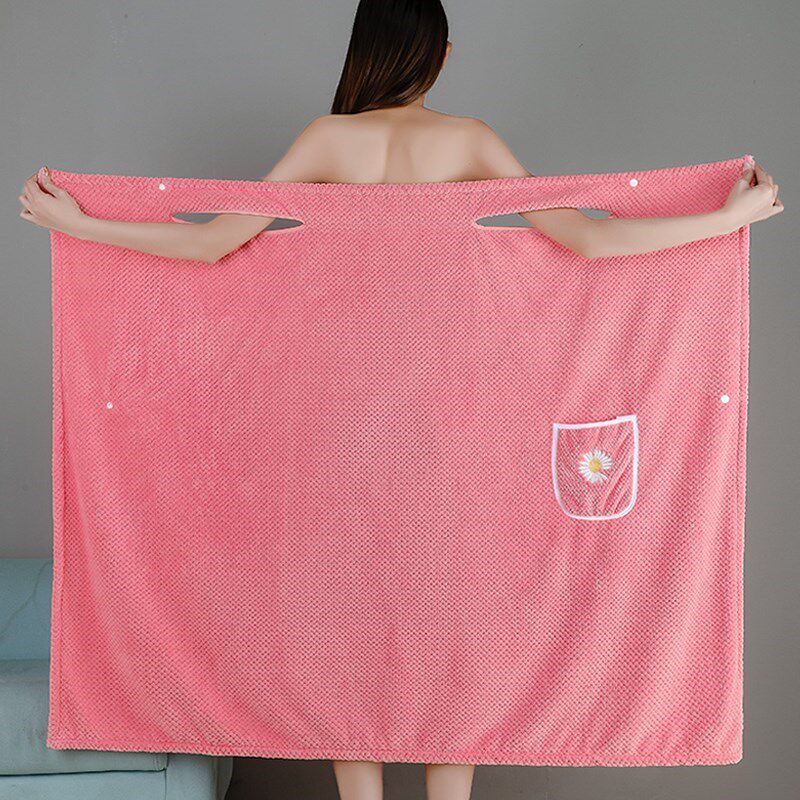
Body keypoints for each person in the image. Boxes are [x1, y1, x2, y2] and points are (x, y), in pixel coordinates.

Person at [17, 2, 783, 799]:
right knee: (452, 641)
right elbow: (589, 240)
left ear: (364, 50)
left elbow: (210, 243)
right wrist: (725, 218)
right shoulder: (471, 141)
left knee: (350, 642)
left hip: (336, 436)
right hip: (456, 435)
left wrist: (82, 228)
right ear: (441, 53)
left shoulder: (327, 140)